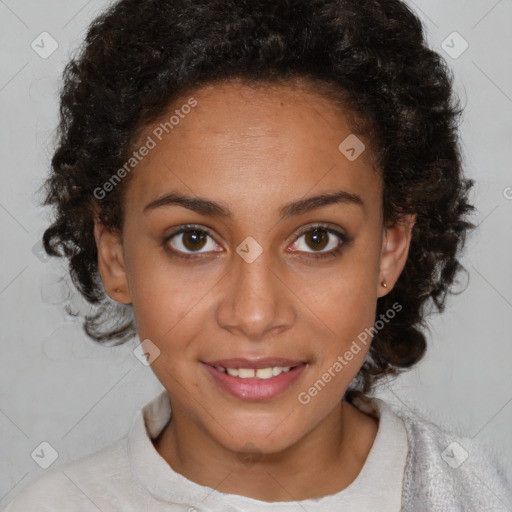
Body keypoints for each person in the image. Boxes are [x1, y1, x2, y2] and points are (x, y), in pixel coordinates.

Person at [3, 0, 511, 510]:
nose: (254, 314)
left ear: (390, 248)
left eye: (316, 239)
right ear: (114, 256)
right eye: (193, 239)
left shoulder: (480, 495)